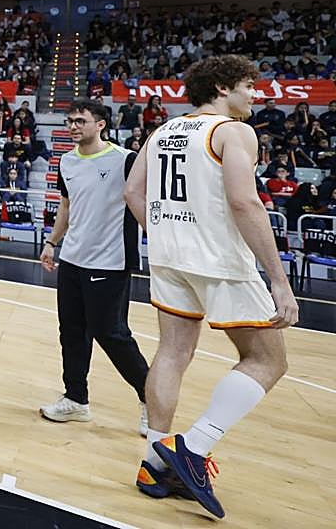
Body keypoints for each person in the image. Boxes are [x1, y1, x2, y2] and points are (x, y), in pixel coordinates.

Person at [124, 55, 298, 519]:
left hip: (168, 257)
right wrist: (279, 280)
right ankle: (194, 447)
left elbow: (132, 192)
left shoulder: (162, 131)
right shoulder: (232, 132)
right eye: (249, 85)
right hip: (219, 260)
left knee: (172, 352)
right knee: (268, 360)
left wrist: (163, 235)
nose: (255, 95)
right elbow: (245, 202)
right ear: (223, 87)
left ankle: (153, 463)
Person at [39, 100, 149, 434]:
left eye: (80, 121)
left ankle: (152, 399)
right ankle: (76, 399)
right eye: (70, 121)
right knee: (71, 332)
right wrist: (52, 242)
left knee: (111, 334)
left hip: (110, 262)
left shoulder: (125, 160)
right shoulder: (67, 161)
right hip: (72, 259)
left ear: (101, 124)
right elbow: (66, 206)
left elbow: (144, 201)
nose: (73, 126)